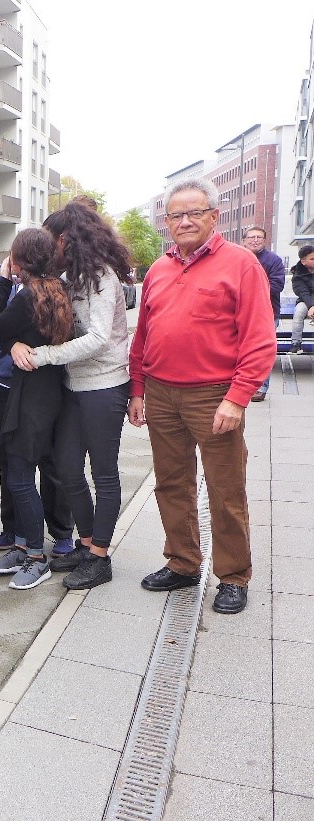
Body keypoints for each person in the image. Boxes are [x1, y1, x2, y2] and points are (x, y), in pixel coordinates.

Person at [129, 178, 276, 615]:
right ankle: (183, 563)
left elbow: (260, 339)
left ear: (215, 216)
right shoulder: (158, 269)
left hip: (214, 395)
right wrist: (137, 390)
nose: (186, 221)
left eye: (195, 213)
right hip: (160, 393)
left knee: (225, 488)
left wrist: (238, 397)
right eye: (177, 215)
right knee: (172, 483)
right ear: (167, 223)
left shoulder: (242, 265)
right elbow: (143, 336)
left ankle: (232, 576)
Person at [10, 203, 133, 590]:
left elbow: (97, 339)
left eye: (50, 240)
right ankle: (85, 542)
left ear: (64, 238)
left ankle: (100, 556)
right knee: (65, 468)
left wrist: (42, 356)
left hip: (104, 387)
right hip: (72, 387)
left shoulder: (100, 277)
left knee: (104, 473)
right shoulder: (69, 278)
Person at [0, 230, 74, 591]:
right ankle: (22, 547)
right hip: (49, 390)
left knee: (20, 477)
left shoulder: (25, 296)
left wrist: (3, 283)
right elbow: (19, 333)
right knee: (24, 472)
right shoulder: (57, 289)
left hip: (29, 396)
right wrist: (16, 340)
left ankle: (36, 557)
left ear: (18, 262)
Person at [241, 227, 285, 401]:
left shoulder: (273, 260)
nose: (255, 240)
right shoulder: (237, 258)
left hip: (266, 312)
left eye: (259, 237)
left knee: (261, 351)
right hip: (238, 312)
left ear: (265, 240)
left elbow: (277, 286)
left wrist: (249, 294)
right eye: (251, 237)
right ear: (244, 240)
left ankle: (261, 387)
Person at [287, 245, 314, 354]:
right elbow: (303, 293)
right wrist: (312, 306)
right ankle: (296, 343)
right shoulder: (298, 275)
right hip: (306, 301)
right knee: (298, 312)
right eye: (312, 259)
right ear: (303, 261)